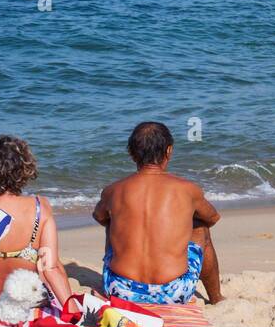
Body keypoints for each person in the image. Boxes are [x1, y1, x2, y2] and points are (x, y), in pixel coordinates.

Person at [94, 121, 223, 305]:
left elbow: (99, 216)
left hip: (119, 290)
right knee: (201, 229)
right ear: (169, 151)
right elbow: (212, 217)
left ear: (131, 153)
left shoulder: (113, 190)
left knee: (111, 222)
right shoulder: (187, 189)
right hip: (173, 292)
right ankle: (216, 298)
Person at [0, 135, 72, 307]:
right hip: (21, 306)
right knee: (56, 263)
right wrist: (72, 311)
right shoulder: (39, 208)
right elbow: (51, 268)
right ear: (24, 170)